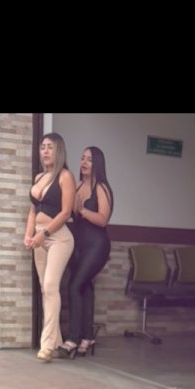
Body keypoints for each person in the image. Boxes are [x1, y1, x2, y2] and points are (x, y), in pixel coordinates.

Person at [24, 133, 76, 361]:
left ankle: (46, 346)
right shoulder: (39, 177)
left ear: (59, 151)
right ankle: (57, 342)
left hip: (58, 238)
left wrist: (44, 234)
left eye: (50, 147)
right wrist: (29, 234)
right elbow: (33, 210)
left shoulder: (65, 176)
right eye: (42, 147)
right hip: (39, 237)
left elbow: (65, 213)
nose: (45, 151)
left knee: (50, 286)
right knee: (46, 290)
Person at [58, 146, 113, 358]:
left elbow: (103, 219)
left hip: (97, 245)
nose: (84, 162)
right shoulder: (78, 186)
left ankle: (72, 338)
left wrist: (82, 210)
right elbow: (68, 213)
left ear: (97, 163)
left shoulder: (102, 188)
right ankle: (87, 337)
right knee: (84, 287)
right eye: (82, 158)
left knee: (74, 285)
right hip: (78, 244)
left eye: (89, 159)